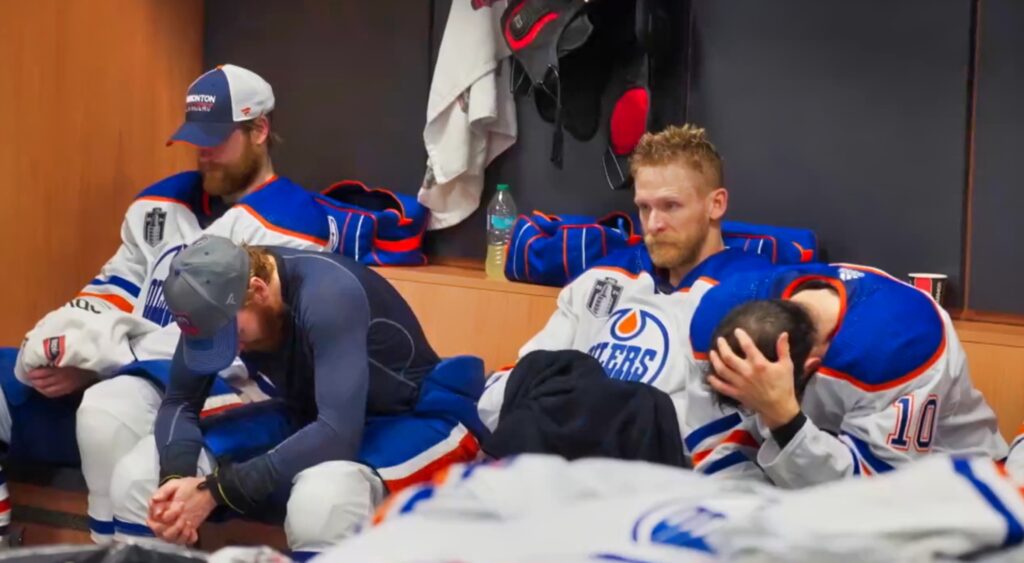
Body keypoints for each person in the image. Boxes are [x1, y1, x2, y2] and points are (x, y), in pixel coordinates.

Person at [0, 63, 340, 544]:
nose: (203, 153)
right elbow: (113, 289)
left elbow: (236, 344)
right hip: (135, 366)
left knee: (106, 408)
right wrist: (68, 343)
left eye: (216, 139)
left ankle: (125, 547)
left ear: (259, 130)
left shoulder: (290, 225)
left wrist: (101, 364)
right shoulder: (159, 204)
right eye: (195, 138)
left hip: (228, 384)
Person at [108, 237, 483, 560]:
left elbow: (338, 433)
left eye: (230, 332)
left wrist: (215, 491)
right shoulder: (212, 301)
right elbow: (180, 404)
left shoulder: (327, 294)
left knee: (324, 501)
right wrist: (177, 481)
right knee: (140, 473)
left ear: (258, 289)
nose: (227, 348)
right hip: (312, 409)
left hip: (408, 414)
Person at [478, 124, 772, 429]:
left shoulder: (752, 291)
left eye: (670, 206)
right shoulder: (603, 278)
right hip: (557, 451)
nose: (654, 224)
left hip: (655, 465)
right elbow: (517, 380)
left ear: (716, 204)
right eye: (644, 208)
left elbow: (735, 426)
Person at [682, 262, 1007, 486]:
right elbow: (717, 453)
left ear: (811, 368)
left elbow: (870, 496)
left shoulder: (901, 342)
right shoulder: (718, 311)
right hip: (808, 480)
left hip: (951, 482)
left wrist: (784, 419)